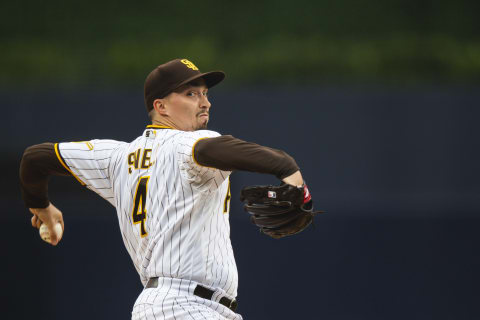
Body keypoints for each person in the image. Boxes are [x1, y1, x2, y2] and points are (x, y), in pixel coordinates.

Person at [19, 58, 310, 320]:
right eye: (191, 94)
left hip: (177, 306)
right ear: (161, 107)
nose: (205, 103)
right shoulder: (186, 145)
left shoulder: (115, 158)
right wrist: (287, 167)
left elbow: (35, 158)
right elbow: (218, 148)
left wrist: (42, 207)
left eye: (205, 93)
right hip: (184, 306)